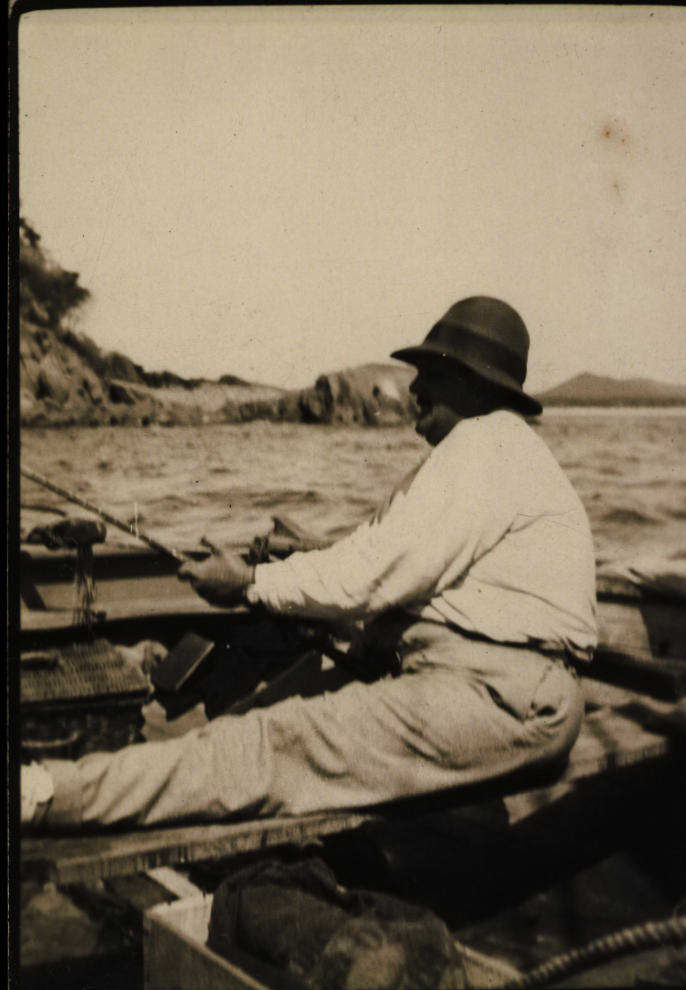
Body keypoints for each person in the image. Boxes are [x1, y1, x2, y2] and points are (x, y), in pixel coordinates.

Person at [21, 296, 597, 829]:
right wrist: (292, 568)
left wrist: (249, 582)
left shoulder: (484, 446)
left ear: (473, 386)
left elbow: (368, 576)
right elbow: (375, 555)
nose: (416, 387)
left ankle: (46, 795)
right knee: (259, 718)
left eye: (434, 373)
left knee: (272, 743)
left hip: (503, 699)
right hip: (482, 683)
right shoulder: (485, 452)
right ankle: (148, 774)